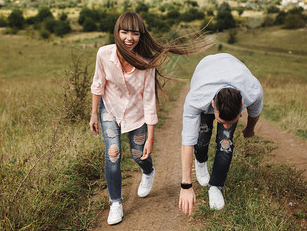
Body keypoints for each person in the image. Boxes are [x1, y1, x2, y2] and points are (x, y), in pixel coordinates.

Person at [90, 12, 212, 225]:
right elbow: (98, 83)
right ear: (117, 32)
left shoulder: (147, 64)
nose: (129, 38)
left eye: (135, 33)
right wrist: (93, 113)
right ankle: (116, 203)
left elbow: (149, 101)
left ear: (141, 35)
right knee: (113, 154)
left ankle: (149, 172)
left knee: (139, 155)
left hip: (137, 114)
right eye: (124, 32)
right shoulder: (103, 54)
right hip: (110, 108)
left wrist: (150, 139)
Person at [178, 53, 263, 215]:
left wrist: (250, 129)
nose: (225, 125)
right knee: (202, 136)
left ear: (242, 105)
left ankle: (216, 186)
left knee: (225, 142)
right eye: (222, 120)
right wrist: (186, 185)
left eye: (231, 121)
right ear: (212, 105)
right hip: (205, 72)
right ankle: (201, 160)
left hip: (235, 73)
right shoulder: (197, 99)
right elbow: (187, 141)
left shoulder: (253, 90)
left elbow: (254, 113)